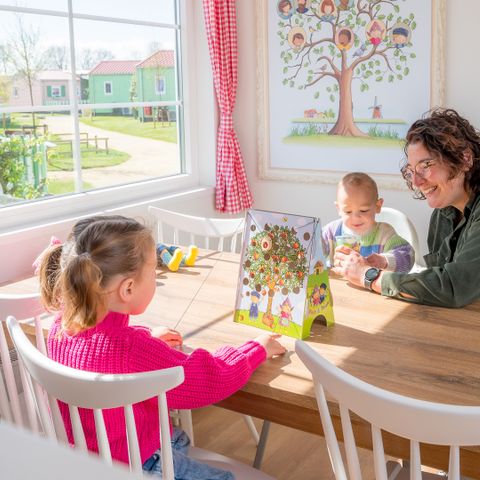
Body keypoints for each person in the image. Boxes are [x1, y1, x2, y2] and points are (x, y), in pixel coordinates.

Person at [39, 215, 286, 479]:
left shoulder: (60, 326)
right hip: (138, 465)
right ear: (128, 288)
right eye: (154, 271)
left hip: (89, 457)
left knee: (176, 436)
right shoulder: (132, 350)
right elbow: (209, 377)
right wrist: (257, 348)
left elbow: (105, 347)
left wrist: (146, 339)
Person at [332, 108, 480, 308]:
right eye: (412, 171)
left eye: (426, 165)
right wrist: (385, 263)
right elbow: (438, 272)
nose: (417, 182)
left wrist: (368, 276)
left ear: (465, 159)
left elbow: (453, 288)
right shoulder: (443, 213)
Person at [323, 172, 415, 273]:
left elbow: (408, 256)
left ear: (377, 206)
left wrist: (384, 261)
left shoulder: (384, 234)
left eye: (363, 210)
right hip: (339, 288)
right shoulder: (331, 231)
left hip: (370, 287)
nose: (356, 217)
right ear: (339, 209)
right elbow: (312, 251)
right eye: (348, 211)